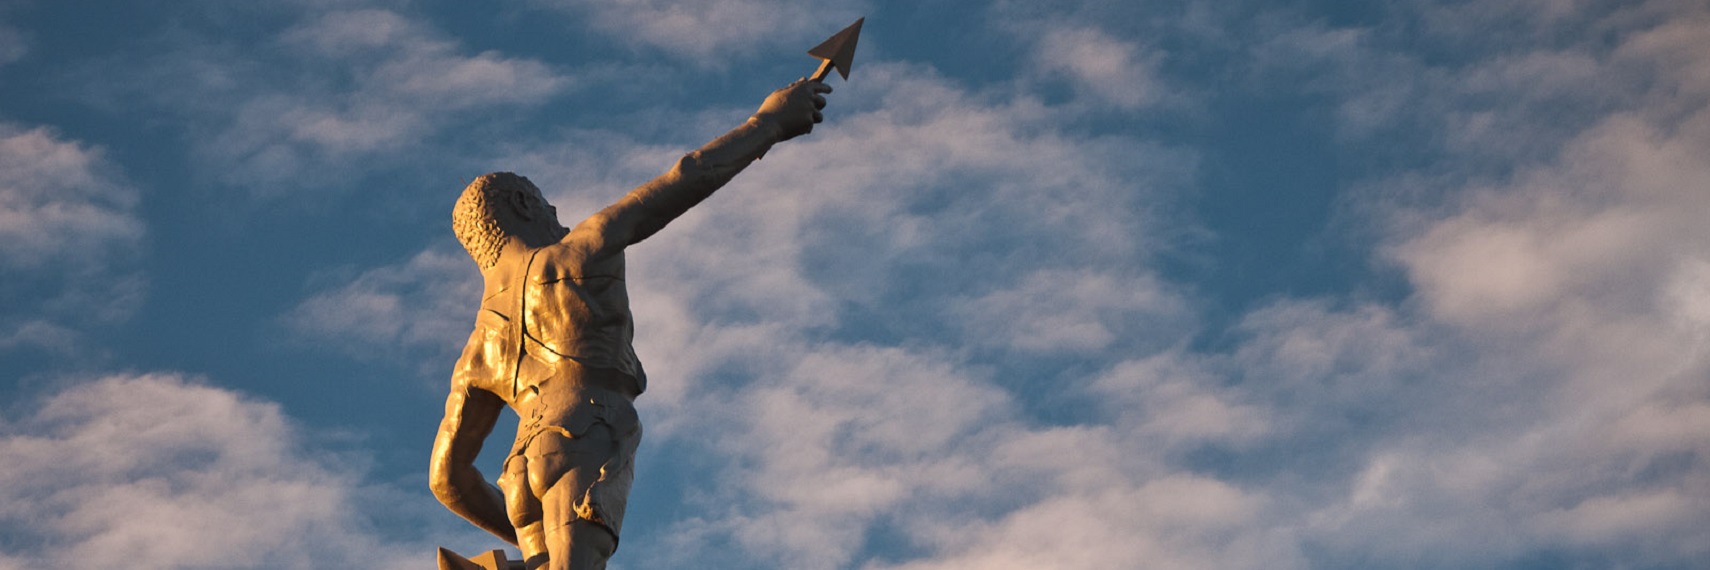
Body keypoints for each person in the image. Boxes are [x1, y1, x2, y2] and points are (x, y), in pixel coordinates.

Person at [430, 79, 832, 570]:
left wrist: (519, 530)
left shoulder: (479, 347)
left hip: (520, 471)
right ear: (519, 206)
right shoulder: (575, 254)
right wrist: (767, 124)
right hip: (587, 427)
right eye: (544, 202)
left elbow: (447, 478)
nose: (557, 212)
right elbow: (686, 177)